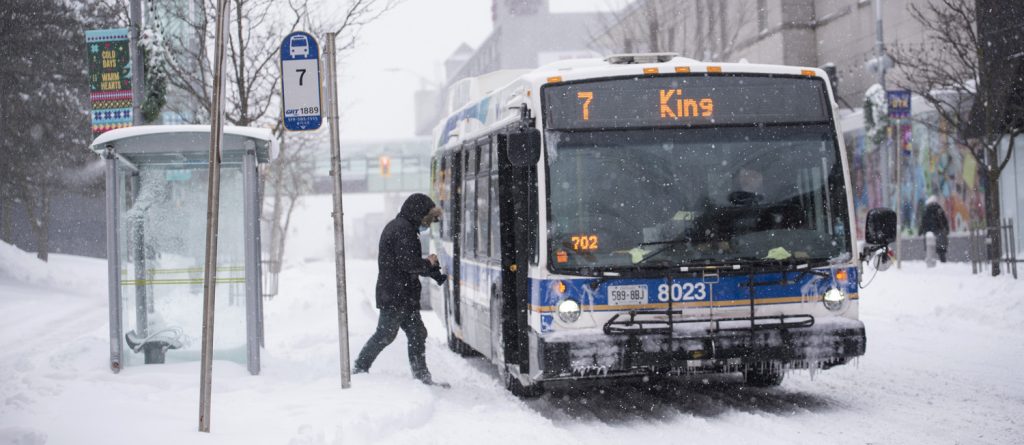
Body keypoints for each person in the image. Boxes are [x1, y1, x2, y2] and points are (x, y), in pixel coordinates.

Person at [353, 193, 448, 386]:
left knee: (417, 332)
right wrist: (428, 263)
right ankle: (359, 367)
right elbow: (408, 264)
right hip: (395, 294)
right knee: (386, 333)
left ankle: (422, 377)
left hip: (403, 294)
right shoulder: (401, 230)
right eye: (427, 219)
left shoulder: (405, 228)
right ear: (417, 213)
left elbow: (409, 264)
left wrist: (428, 268)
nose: (427, 224)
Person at [919, 195, 950, 262]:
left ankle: (930, 262)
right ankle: (943, 261)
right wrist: (947, 229)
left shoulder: (926, 210)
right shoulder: (939, 209)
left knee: (929, 250)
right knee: (941, 250)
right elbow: (944, 220)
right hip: (939, 231)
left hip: (929, 232)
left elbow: (923, 222)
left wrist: (920, 231)